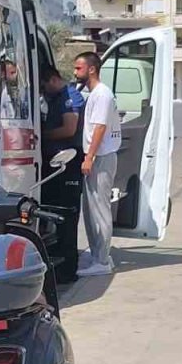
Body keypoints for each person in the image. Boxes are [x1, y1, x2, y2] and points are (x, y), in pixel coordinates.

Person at [74, 52, 122, 277]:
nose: (75, 73)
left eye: (79, 68)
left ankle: (102, 260)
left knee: (100, 209)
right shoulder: (94, 94)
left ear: (91, 69)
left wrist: (89, 157)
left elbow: (100, 128)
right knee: (91, 208)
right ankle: (97, 254)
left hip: (101, 157)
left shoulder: (102, 95)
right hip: (97, 156)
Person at [39, 66, 85, 284]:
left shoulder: (69, 96)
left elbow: (69, 129)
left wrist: (41, 135)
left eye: (44, 85)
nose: (44, 91)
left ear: (54, 79)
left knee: (67, 216)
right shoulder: (56, 98)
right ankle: (58, 264)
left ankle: (68, 269)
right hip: (55, 163)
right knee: (54, 213)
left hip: (68, 162)